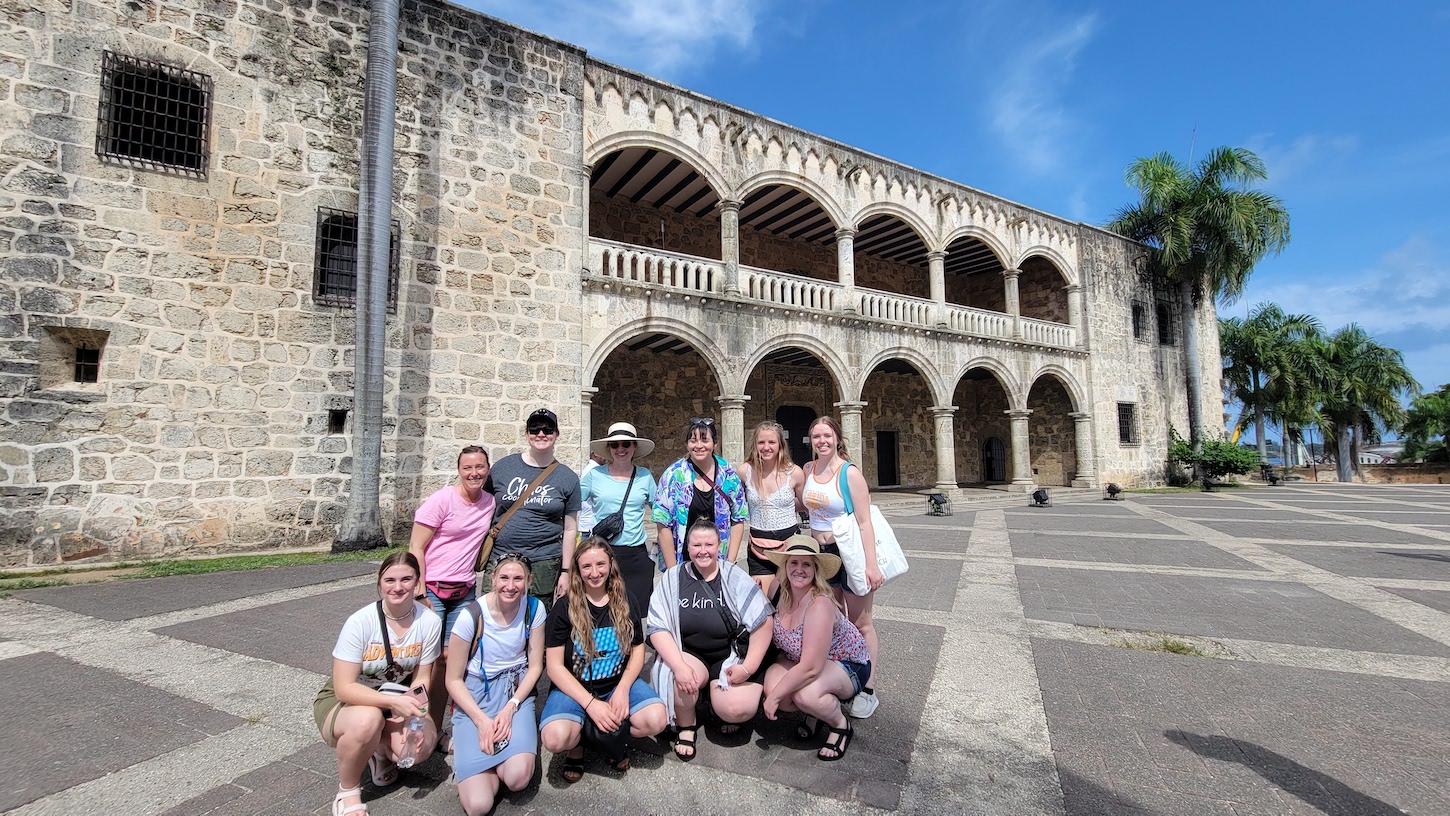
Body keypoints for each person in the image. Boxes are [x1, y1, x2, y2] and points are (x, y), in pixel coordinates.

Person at [314, 552, 442, 816]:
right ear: (379, 583)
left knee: (419, 748)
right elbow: (343, 687)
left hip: (397, 698)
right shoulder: (360, 622)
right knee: (368, 720)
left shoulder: (429, 621)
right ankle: (347, 792)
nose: (398, 587)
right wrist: (394, 703)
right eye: (390, 580)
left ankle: (378, 752)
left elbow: (421, 677)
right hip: (347, 702)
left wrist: (417, 716)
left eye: (407, 579)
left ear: (418, 582)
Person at [539, 537, 669, 781]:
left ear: (611, 564)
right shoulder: (564, 608)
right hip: (574, 689)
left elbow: (638, 649)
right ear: (578, 569)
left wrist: (622, 689)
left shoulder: (627, 599)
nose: (595, 572)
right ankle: (576, 747)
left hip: (614, 684)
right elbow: (554, 667)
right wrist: (590, 704)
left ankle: (611, 740)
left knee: (656, 719)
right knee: (554, 738)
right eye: (587, 566)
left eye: (600, 564)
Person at [647, 520, 774, 761]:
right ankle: (687, 725)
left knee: (736, 710)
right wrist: (679, 666)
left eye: (709, 544)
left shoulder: (733, 575)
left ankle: (717, 706)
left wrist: (749, 668)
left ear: (719, 546)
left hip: (730, 652)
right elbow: (657, 626)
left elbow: (763, 620)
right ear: (687, 546)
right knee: (678, 679)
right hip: (690, 652)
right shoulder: (673, 578)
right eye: (696, 545)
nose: (703, 550)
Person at [444, 554, 546, 816]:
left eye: (518, 579)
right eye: (504, 577)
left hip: (515, 689)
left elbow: (535, 666)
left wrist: (511, 707)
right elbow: (453, 679)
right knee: (478, 806)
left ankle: (500, 759)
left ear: (529, 581)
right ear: (492, 579)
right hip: (476, 693)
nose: (510, 585)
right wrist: (481, 721)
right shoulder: (471, 616)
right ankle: (478, 765)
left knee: (517, 778)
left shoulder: (534, 609)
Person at [798, 415, 883, 719]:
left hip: (849, 553)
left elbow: (864, 522)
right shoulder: (808, 469)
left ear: (837, 438)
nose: (822, 441)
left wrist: (871, 564)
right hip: (820, 554)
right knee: (833, 620)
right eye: (816, 436)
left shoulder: (849, 474)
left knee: (861, 622)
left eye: (827, 436)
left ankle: (868, 689)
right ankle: (841, 675)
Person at [407, 445, 495, 736]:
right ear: (459, 470)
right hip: (432, 590)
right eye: (467, 467)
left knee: (450, 661)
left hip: (463, 592)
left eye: (480, 467)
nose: (474, 473)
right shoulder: (442, 500)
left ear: (487, 469)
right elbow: (415, 548)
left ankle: (436, 727)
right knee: (424, 662)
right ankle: (412, 726)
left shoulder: (489, 503)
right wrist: (419, 593)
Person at [761, 535, 871, 762]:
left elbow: (811, 667)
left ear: (815, 570)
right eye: (793, 562)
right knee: (774, 688)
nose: (799, 570)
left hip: (846, 662)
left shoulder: (819, 604)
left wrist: (774, 699)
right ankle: (817, 713)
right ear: (785, 565)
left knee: (804, 694)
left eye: (806, 564)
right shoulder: (776, 589)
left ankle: (840, 725)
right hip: (801, 658)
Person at [483, 408, 580, 600]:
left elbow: (570, 528)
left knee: (536, 620)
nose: (541, 434)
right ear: (527, 433)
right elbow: (484, 510)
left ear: (557, 434)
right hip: (501, 557)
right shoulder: (503, 467)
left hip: (543, 562)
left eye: (548, 429)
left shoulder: (567, 477)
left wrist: (566, 572)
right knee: (491, 619)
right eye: (535, 429)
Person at [581, 421, 659, 611]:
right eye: (615, 444)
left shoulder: (644, 476)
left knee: (635, 613)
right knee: (603, 610)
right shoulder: (594, 475)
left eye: (626, 444)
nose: (620, 449)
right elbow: (571, 503)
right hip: (603, 553)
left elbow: (660, 510)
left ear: (634, 447)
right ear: (609, 448)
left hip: (635, 555)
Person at [652, 417, 748, 569]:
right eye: (693, 440)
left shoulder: (728, 475)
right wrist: (672, 570)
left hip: (718, 563)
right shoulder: (673, 475)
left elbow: (738, 517)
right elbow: (663, 523)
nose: (699, 446)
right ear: (687, 444)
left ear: (715, 444)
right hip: (682, 562)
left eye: (705, 440)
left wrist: (730, 562)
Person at [737, 420, 805, 592]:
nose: (766, 447)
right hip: (758, 546)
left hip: (789, 544)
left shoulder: (795, 473)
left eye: (771, 442)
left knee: (789, 599)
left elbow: (804, 504)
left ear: (780, 445)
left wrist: (784, 507)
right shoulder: (745, 471)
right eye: (761, 442)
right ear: (754, 445)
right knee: (764, 600)